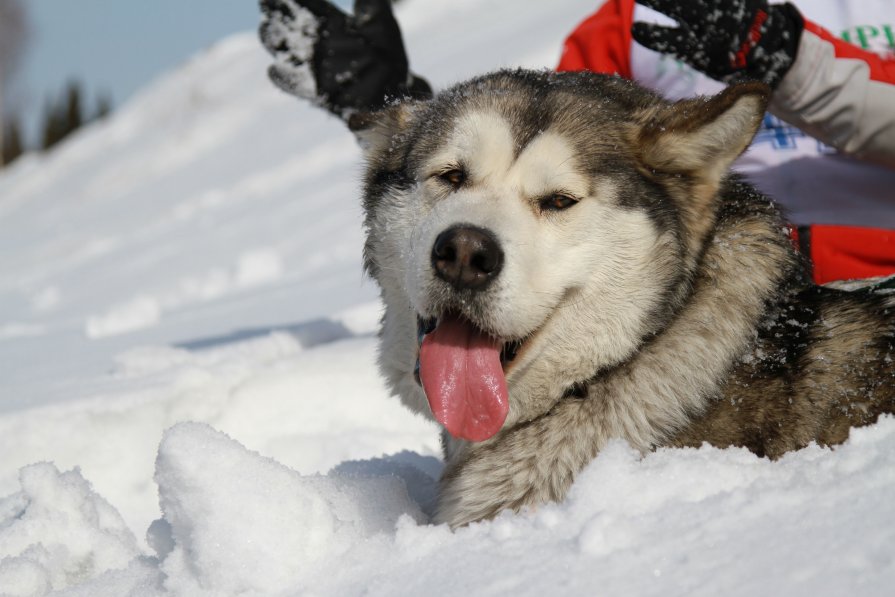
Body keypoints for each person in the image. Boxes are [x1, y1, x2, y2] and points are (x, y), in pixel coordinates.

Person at [259, 0, 895, 283]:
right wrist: (398, 106)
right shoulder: (634, 17)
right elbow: (541, 173)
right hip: (723, 298)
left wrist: (798, 65)